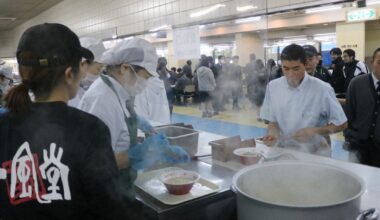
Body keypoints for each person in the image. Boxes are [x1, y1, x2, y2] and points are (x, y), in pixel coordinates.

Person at [0, 23, 128, 220]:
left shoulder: (4, 125)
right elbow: (109, 208)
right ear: (70, 74)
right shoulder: (90, 129)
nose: (84, 73)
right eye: (81, 67)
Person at [79, 38, 189, 169]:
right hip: (105, 185)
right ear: (125, 68)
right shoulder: (102, 99)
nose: (145, 83)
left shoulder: (116, 91)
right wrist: (139, 154)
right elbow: (95, 163)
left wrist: (137, 121)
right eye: (145, 77)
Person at [260, 44, 347, 156]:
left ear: (305, 64)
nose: (290, 74)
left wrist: (314, 131)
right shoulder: (273, 87)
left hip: (315, 151)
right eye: (286, 68)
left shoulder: (322, 89)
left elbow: (342, 124)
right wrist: (272, 135)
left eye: (296, 68)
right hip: (284, 150)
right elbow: (273, 122)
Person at [345, 48, 380, 167]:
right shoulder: (356, 83)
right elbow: (349, 113)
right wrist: (348, 138)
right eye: (379, 62)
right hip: (358, 144)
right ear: (372, 63)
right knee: (355, 176)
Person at [68, 37, 105, 107]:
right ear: (83, 64)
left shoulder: (85, 87)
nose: (100, 73)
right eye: (98, 69)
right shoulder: (69, 94)